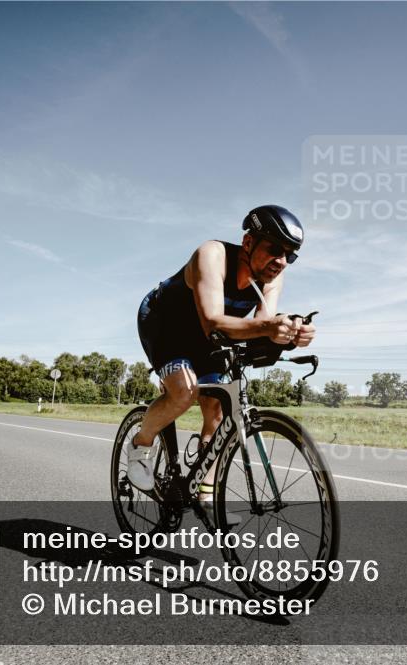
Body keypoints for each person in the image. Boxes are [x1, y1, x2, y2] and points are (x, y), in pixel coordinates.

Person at [129, 205, 315, 520]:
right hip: (165, 323)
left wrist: (292, 333)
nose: (281, 261)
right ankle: (140, 446)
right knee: (184, 392)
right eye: (274, 249)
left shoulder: (271, 282)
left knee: (219, 407)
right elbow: (214, 322)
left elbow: (260, 331)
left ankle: (206, 494)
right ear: (248, 242)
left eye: (290, 255)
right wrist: (271, 327)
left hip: (206, 337)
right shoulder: (212, 255)